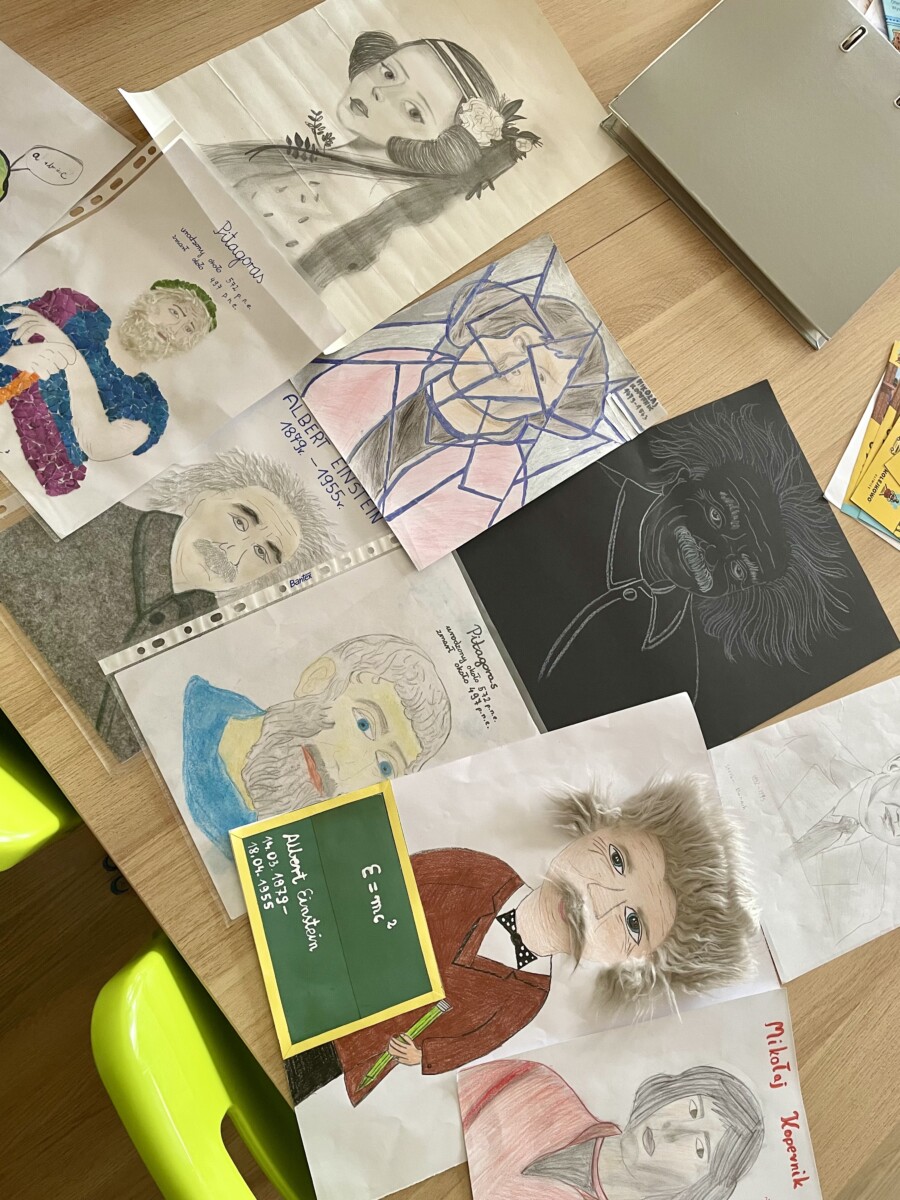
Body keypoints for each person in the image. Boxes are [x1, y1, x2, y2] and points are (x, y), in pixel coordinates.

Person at [284, 777, 757, 1107]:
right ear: (598, 825)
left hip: (357, 1051)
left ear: (635, 962)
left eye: (633, 923)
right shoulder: (477, 871)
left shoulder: (527, 998)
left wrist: (424, 1056)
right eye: (616, 860)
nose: (596, 899)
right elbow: (384, 886)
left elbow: (476, 1040)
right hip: (312, 981)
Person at [299, 262, 654, 563]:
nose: (513, 363)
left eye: (541, 375)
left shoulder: (495, 491)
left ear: (546, 412)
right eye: (522, 341)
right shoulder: (382, 364)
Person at [0, 448, 340, 761]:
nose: (234, 553)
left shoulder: (209, 657)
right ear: (199, 500)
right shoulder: (84, 525)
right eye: (239, 522)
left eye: (262, 553)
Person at [206, 32, 540, 288]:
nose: (381, 92)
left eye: (413, 111)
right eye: (390, 74)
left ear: (438, 148)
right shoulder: (303, 157)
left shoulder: (366, 218)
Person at [181, 633, 452, 855]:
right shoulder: (190, 718)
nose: (348, 768)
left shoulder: (272, 852)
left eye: (384, 767)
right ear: (317, 679)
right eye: (363, 724)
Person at [0, 280, 216, 495]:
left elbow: (97, 444)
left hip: (19, 486)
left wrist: (72, 359)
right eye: (175, 312)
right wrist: (10, 355)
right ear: (150, 301)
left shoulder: (150, 404)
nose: (174, 329)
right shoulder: (77, 311)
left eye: (188, 329)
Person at [459, 1058, 764, 1200]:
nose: (673, 1130)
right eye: (692, 1109)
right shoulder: (534, 1084)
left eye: (699, 1148)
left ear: (699, 1189)